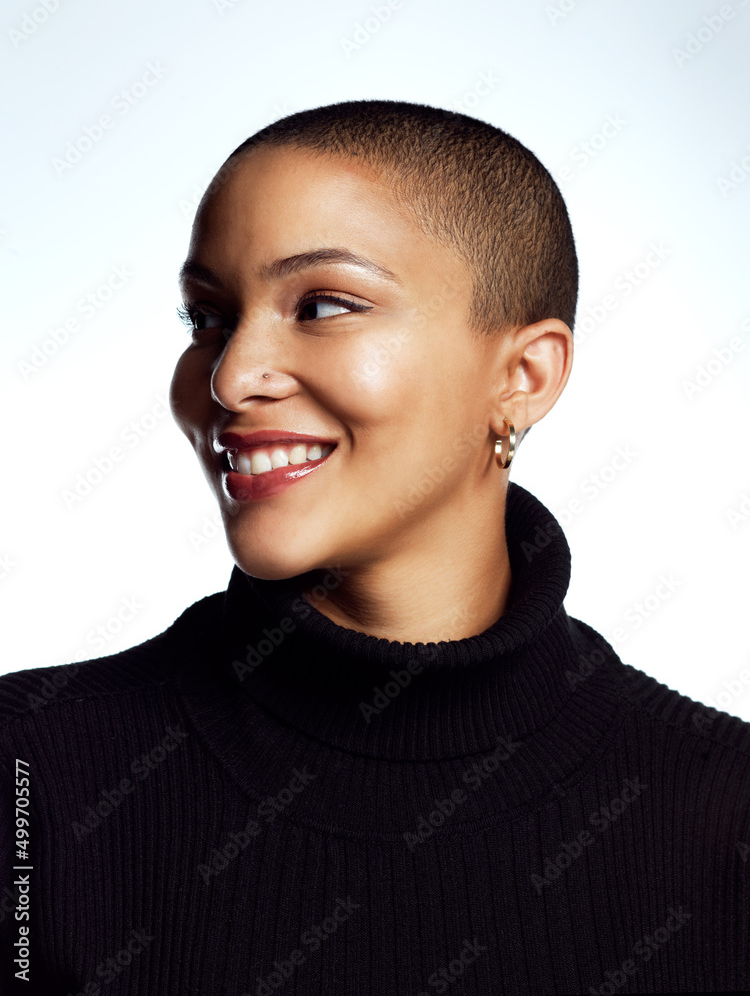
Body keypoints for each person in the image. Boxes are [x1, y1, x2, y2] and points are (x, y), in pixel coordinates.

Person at [1, 99, 749, 995]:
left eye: (321, 305)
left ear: (523, 375)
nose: (232, 377)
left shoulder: (724, 811)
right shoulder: (29, 773)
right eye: (206, 317)